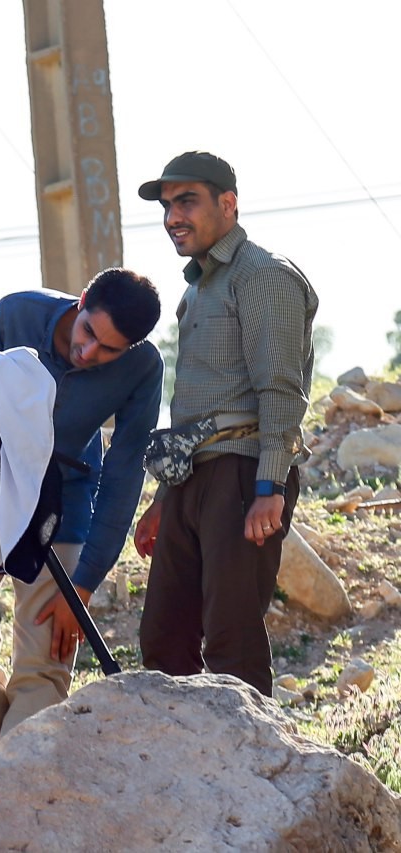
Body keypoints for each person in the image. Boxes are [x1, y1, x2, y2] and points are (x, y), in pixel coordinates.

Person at [0, 267, 163, 746]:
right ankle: (15, 764)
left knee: (44, 666)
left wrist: (83, 584)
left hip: (62, 500)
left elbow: (124, 474)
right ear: (81, 301)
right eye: (88, 333)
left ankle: (13, 782)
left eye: (109, 350)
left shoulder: (144, 367)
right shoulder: (17, 314)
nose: (88, 352)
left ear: (132, 349)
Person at [133, 151, 318, 697]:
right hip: (192, 478)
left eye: (186, 201)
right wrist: (167, 497)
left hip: (243, 477)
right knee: (163, 641)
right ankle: (188, 772)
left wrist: (269, 487)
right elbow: (195, 407)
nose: (172, 217)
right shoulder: (197, 288)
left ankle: (254, 773)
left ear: (228, 203)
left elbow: (281, 389)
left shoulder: (265, 275)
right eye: (167, 206)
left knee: (231, 642)